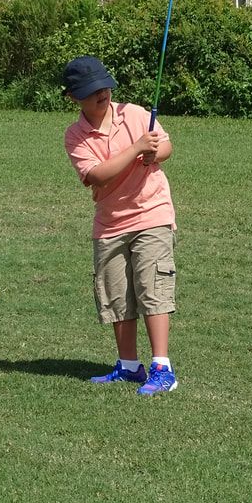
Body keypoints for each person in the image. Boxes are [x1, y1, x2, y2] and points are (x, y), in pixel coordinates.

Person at [62, 56, 179, 395]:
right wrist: (136, 148)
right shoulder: (75, 136)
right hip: (110, 223)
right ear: (73, 97)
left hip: (151, 213)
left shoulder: (136, 114)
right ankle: (129, 367)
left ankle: (162, 368)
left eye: (104, 85)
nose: (102, 93)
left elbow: (166, 145)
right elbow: (96, 175)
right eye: (91, 90)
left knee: (152, 287)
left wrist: (155, 152)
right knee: (117, 295)